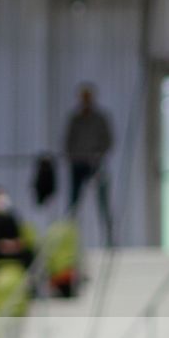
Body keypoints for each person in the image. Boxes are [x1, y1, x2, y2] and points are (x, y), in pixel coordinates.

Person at [63, 84, 113, 241]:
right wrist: (73, 156)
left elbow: (108, 140)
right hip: (78, 164)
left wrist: (98, 154)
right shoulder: (75, 119)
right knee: (74, 203)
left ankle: (108, 238)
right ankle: (68, 238)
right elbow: (68, 141)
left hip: (96, 163)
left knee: (103, 202)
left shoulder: (100, 119)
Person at [0, 186, 28, 265]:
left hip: (15, 251)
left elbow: (19, 240)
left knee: (29, 253)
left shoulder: (11, 218)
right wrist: (9, 245)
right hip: (0, 254)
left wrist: (14, 245)